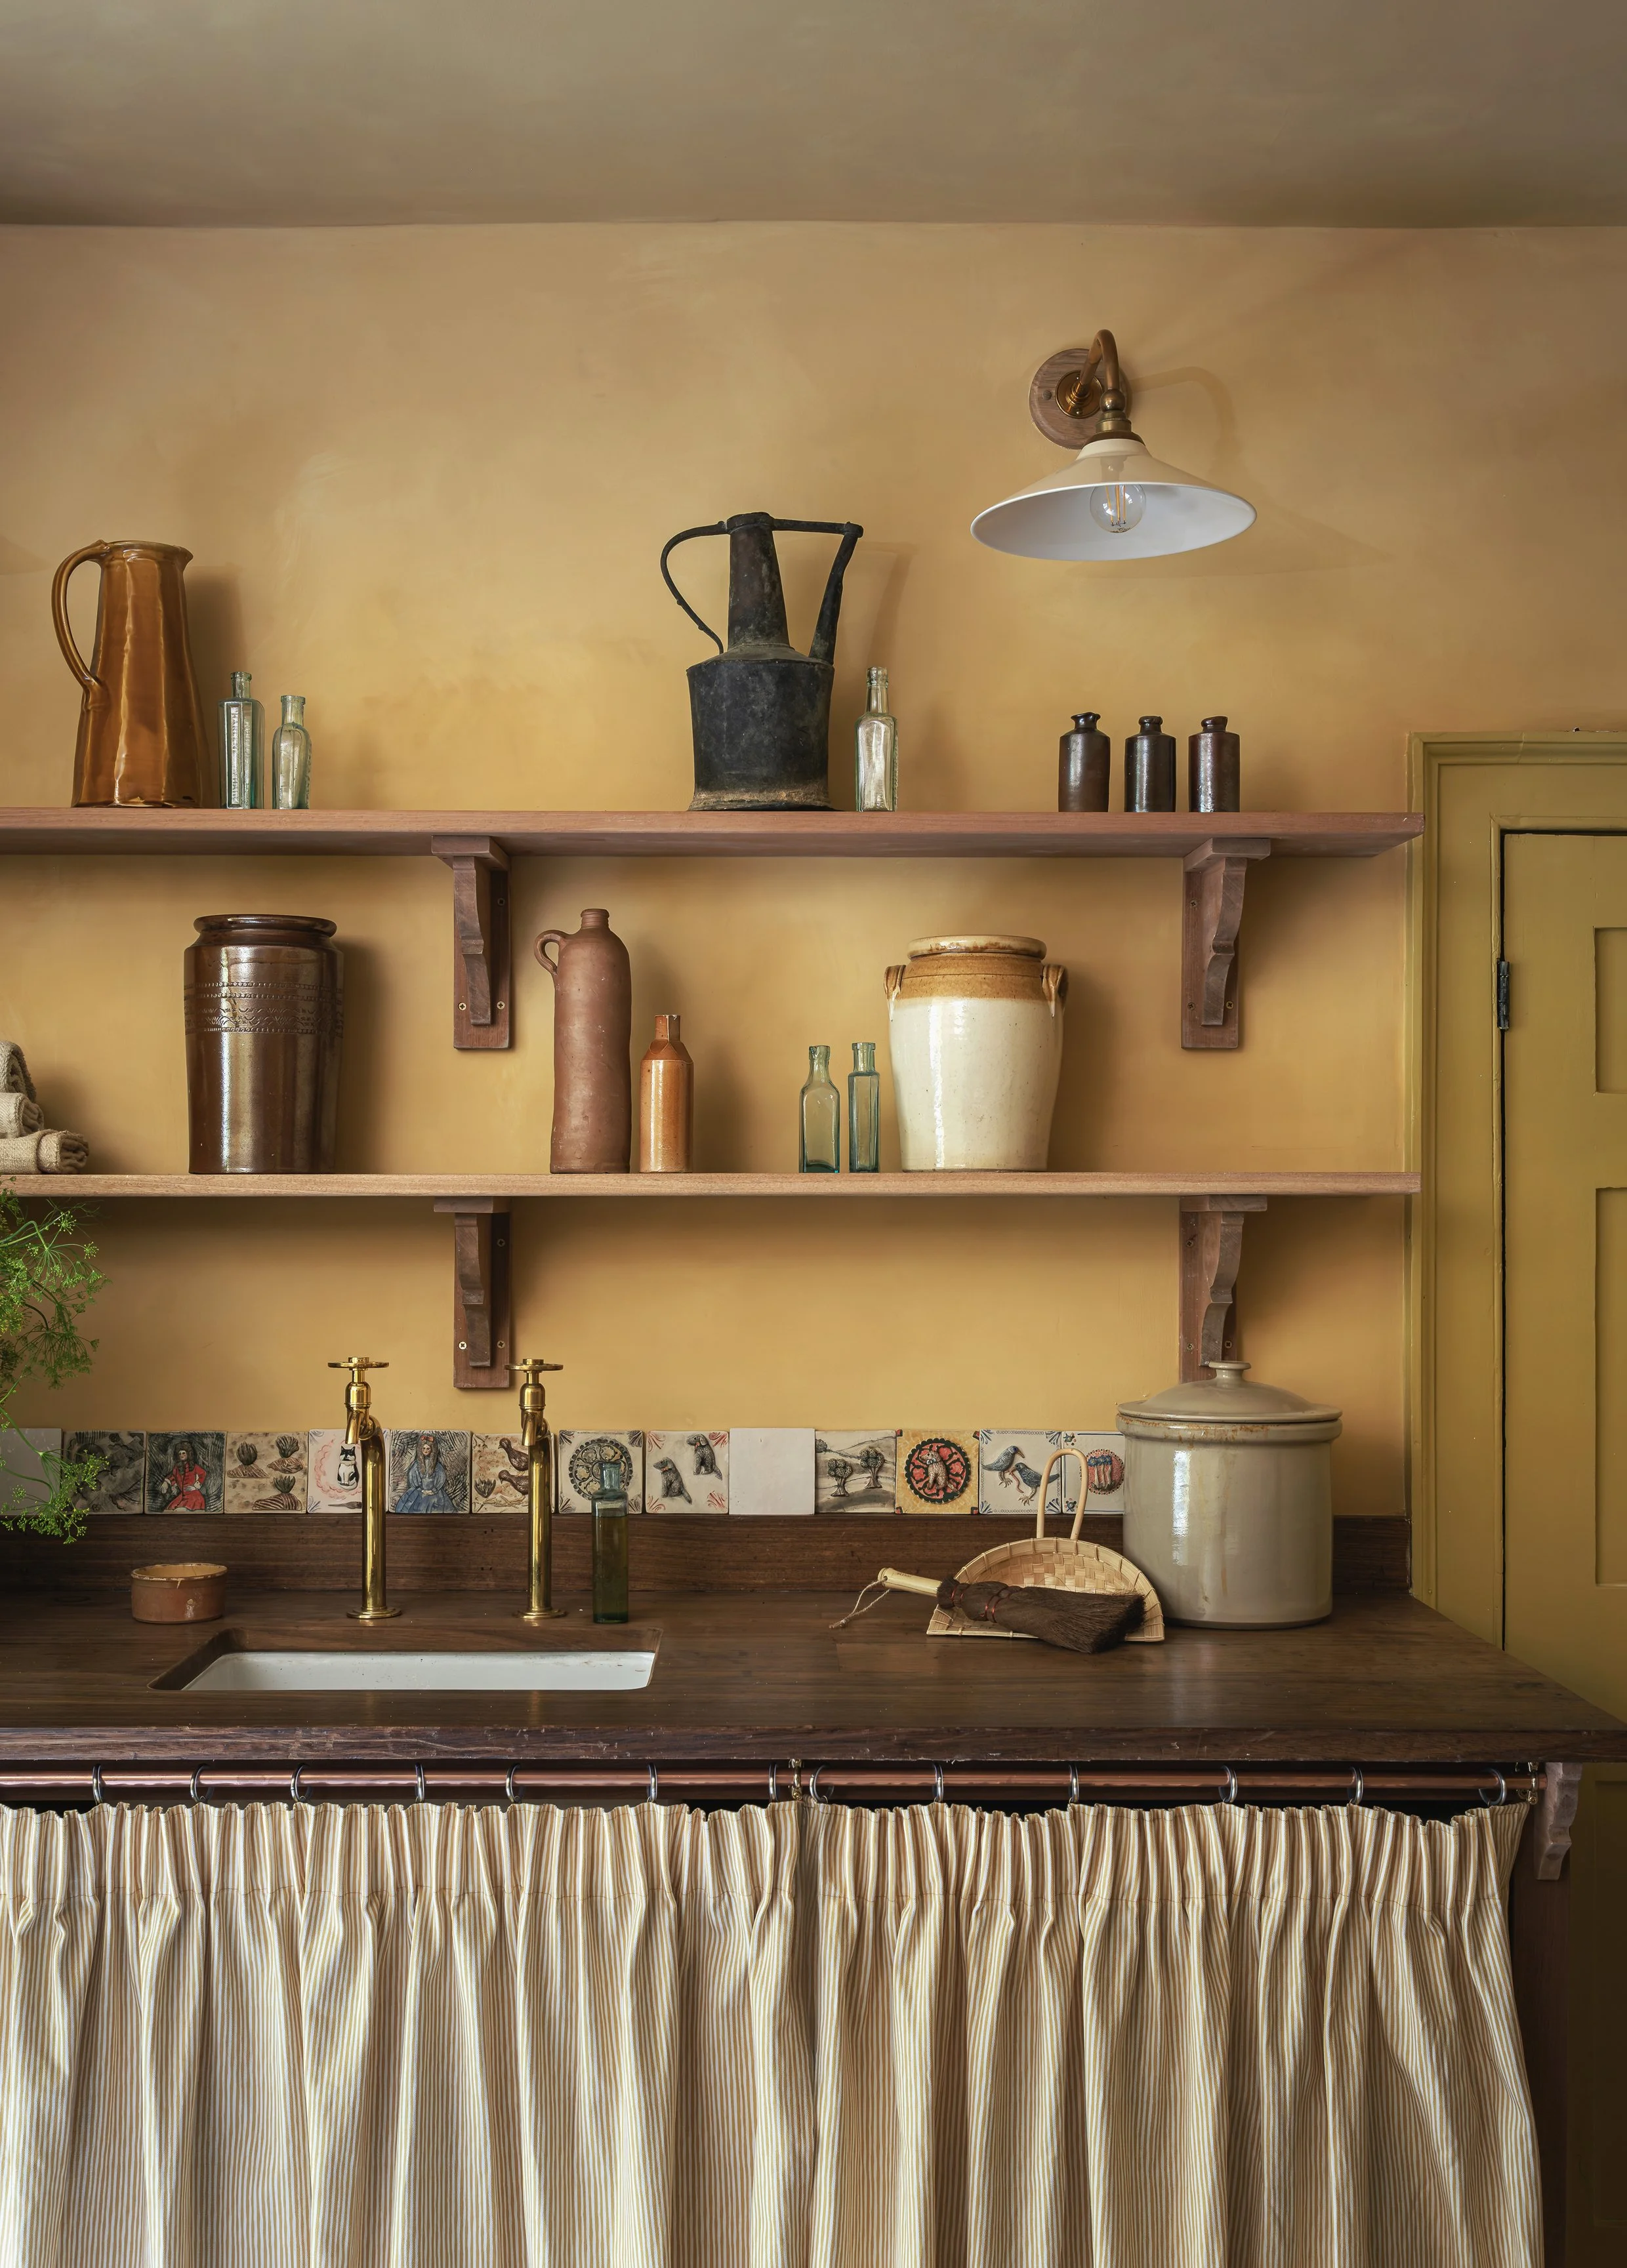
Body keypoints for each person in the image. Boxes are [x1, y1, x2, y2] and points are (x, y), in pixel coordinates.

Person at [395, 1432, 456, 1516]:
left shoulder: (437, 1466)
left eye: (428, 1449)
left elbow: (441, 1478)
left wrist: (433, 1490)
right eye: (424, 1448)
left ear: (432, 1450)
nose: (426, 1451)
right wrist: (422, 1490)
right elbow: (413, 1477)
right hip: (419, 1491)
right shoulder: (417, 1465)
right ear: (420, 1449)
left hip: (434, 1492)